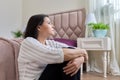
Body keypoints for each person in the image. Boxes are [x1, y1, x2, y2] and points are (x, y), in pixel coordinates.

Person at [18, 14, 88, 80]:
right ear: (39, 27)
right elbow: (57, 54)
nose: (53, 26)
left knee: (71, 54)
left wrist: (80, 59)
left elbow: (73, 50)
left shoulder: (50, 43)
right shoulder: (28, 42)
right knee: (66, 57)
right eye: (49, 23)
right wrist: (82, 52)